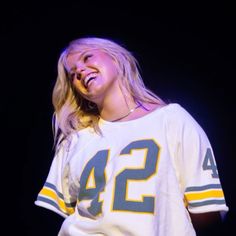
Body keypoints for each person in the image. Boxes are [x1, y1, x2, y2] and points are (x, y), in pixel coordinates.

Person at [35, 36, 229, 236]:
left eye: (87, 57)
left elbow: (207, 213)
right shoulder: (75, 140)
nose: (81, 71)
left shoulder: (171, 120)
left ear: (116, 58)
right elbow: (55, 217)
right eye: (73, 74)